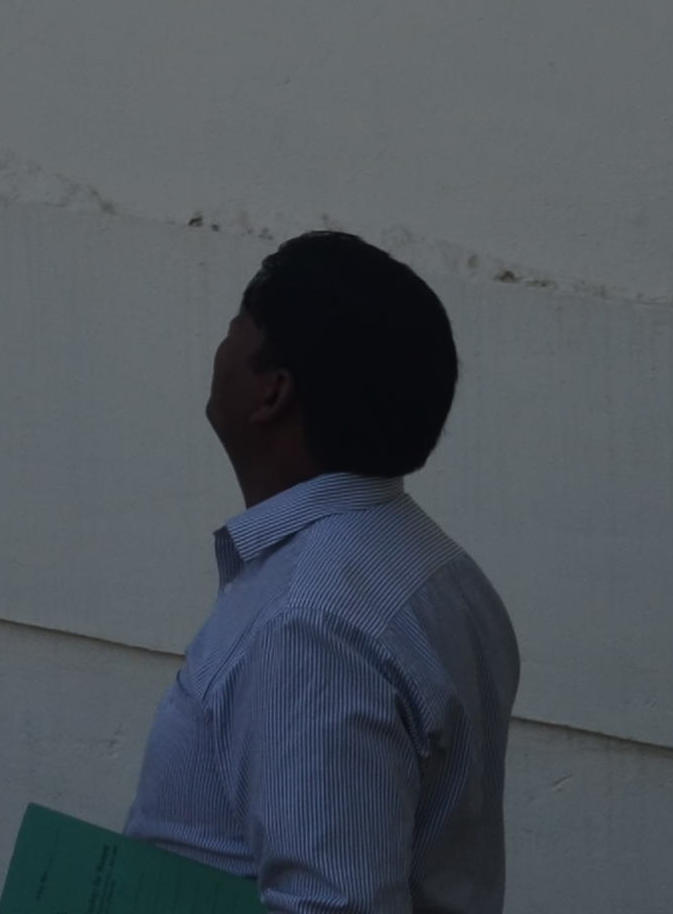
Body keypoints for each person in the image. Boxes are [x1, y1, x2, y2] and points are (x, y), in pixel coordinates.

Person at [122, 232, 520, 914]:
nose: (219, 347)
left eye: (235, 327)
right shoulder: (435, 566)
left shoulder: (310, 624)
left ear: (272, 392)